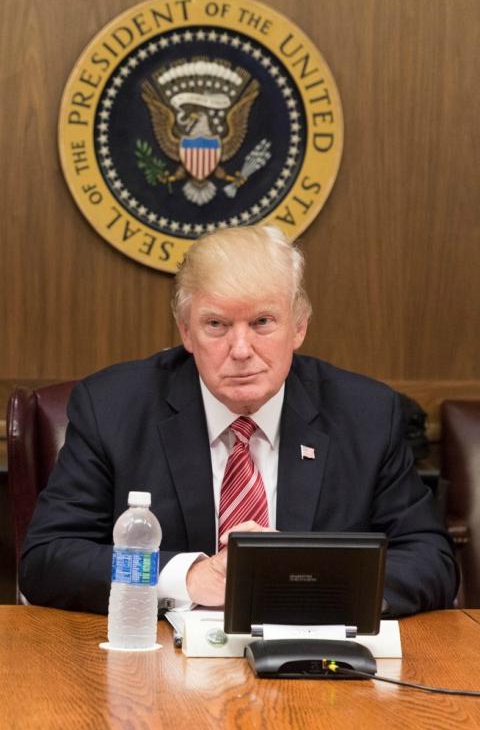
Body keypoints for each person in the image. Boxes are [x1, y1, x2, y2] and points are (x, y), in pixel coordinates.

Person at [19, 225, 458, 615]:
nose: (242, 348)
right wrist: (187, 577)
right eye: (216, 324)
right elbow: (48, 557)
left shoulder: (366, 413)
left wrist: (301, 578)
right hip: (156, 676)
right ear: (186, 332)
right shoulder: (113, 407)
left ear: (299, 327)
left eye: (263, 322)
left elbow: (431, 560)